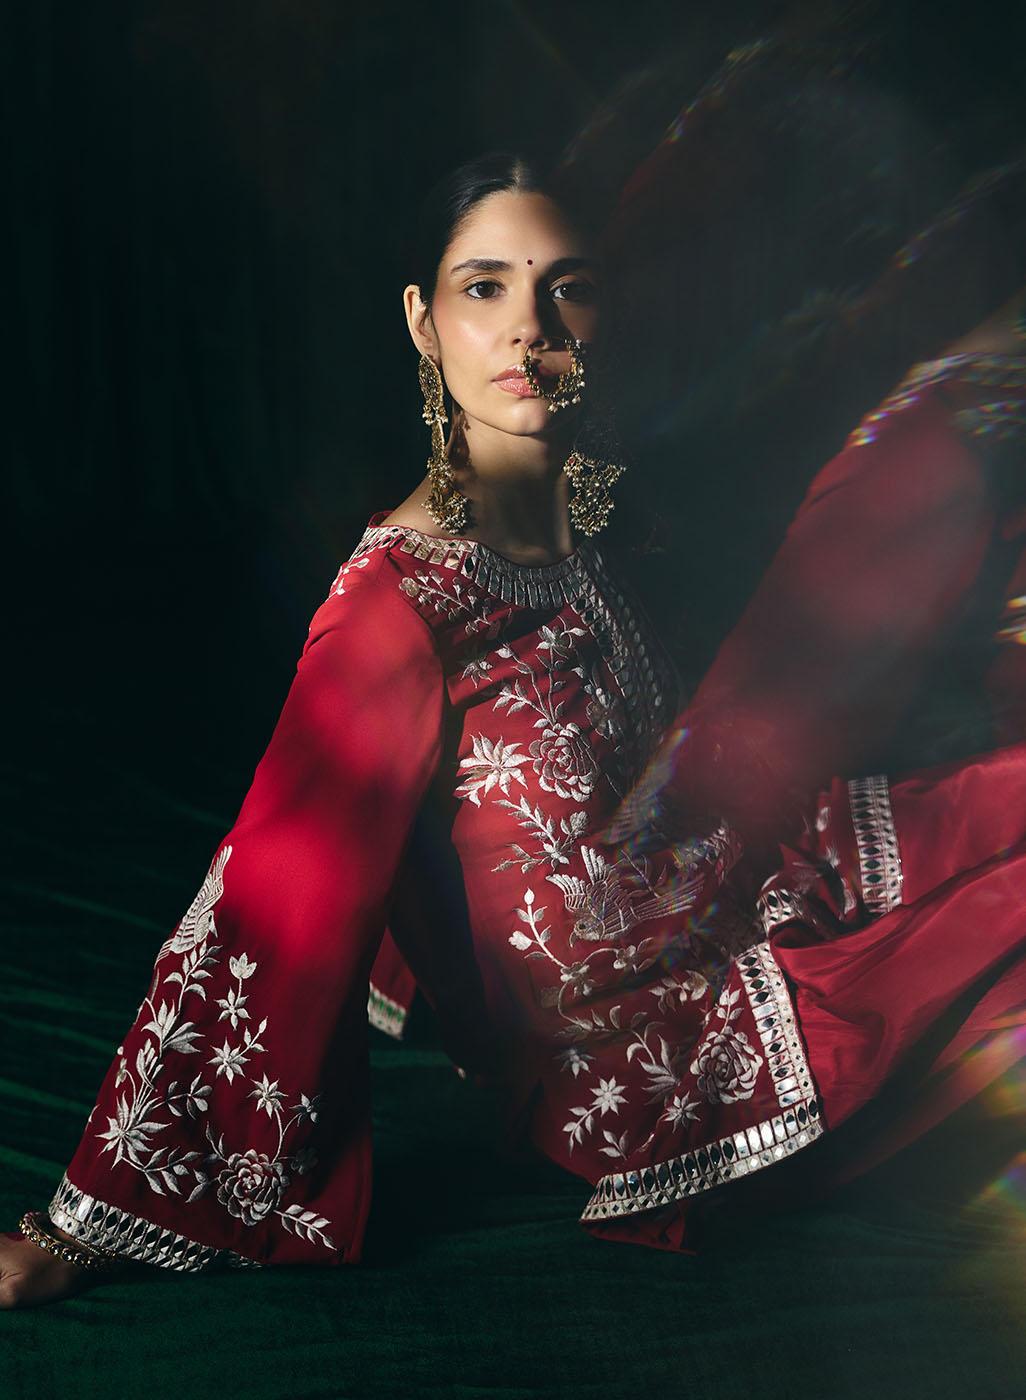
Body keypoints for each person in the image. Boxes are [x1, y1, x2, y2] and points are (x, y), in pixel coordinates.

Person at [4, 150, 1026, 1308]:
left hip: (722, 888)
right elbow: (270, 895)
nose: (528, 327)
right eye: (484, 287)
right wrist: (86, 1223)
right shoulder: (400, 602)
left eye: (564, 288)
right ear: (423, 322)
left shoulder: (582, 512)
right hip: (644, 1063)